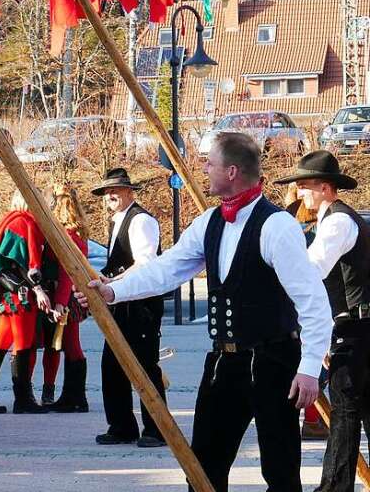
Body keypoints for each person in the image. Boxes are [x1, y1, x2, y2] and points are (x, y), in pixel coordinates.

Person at [80, 132, 332, 492]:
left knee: (280, 470)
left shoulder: (277, 226)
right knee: (203, 468)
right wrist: (114, 291)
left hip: (273, 360)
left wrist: (308, 370)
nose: (204, 168)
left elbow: (313, 303)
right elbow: (167, 268)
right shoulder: (210, 222)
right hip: (223, 363)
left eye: (209, 162)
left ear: (231, 171)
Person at [275, 150, 370, 492]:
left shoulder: (338, 222)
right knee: (359, 411)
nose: (300, 193)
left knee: (345, 412)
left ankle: (333, 487)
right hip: (357, 330)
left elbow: (310, 272)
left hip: (357, 331)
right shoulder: (336, 220)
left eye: (306, 186)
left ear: (327, 188)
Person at [90, 167, 167, 447]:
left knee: (145, 366)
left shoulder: (141, 220)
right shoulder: (118, 220)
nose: (109, 195)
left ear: (129, 192)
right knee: (112, 366)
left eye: (115, 190)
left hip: (141, 304)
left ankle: (157, 429)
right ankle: (122, 426)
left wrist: (113, 282)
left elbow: (145, 263)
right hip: (121, 301)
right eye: (106, 191)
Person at [0, 191, 52, 415]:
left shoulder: (14, 220)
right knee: (22, 343)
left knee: (1, 342)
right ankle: (22, 399)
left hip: (10, 294)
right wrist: (36, 289)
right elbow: (17, 264)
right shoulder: (21, 223)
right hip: (18, 294)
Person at [282, 181, 329, 440]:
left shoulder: (287, 225)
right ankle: (312, 420)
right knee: (315, 364)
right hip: (308, 304)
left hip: (290, 307)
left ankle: (312, 420)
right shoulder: (312, 231)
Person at [47, 184, 91, 413]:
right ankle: (73, 396)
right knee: (71, 345)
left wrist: (60, 303)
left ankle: (75, 397)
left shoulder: (67, 235)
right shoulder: (78, 232)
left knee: (72, 346)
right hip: (74, 293)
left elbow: (67, 272)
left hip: (69, 295)